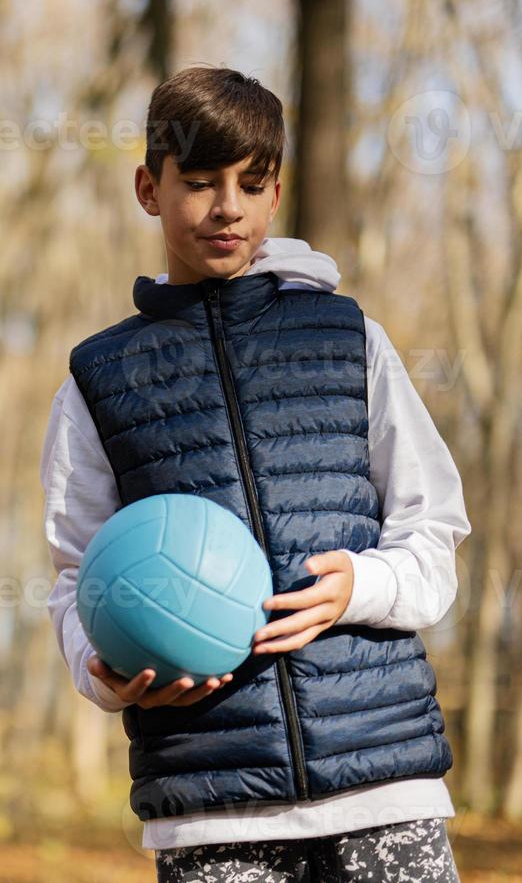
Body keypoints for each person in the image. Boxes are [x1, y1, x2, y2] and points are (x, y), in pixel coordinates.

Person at [40, 65, 470, 882]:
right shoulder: (100, 378)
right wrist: (104, 675)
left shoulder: (347, 338)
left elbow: (434, 531)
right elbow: (73, 578)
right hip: (209, 806)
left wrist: (362, 587)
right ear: (149, 188)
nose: (227, 206)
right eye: (199, 182)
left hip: (382, 789)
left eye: (252, 182)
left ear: (277, 193)